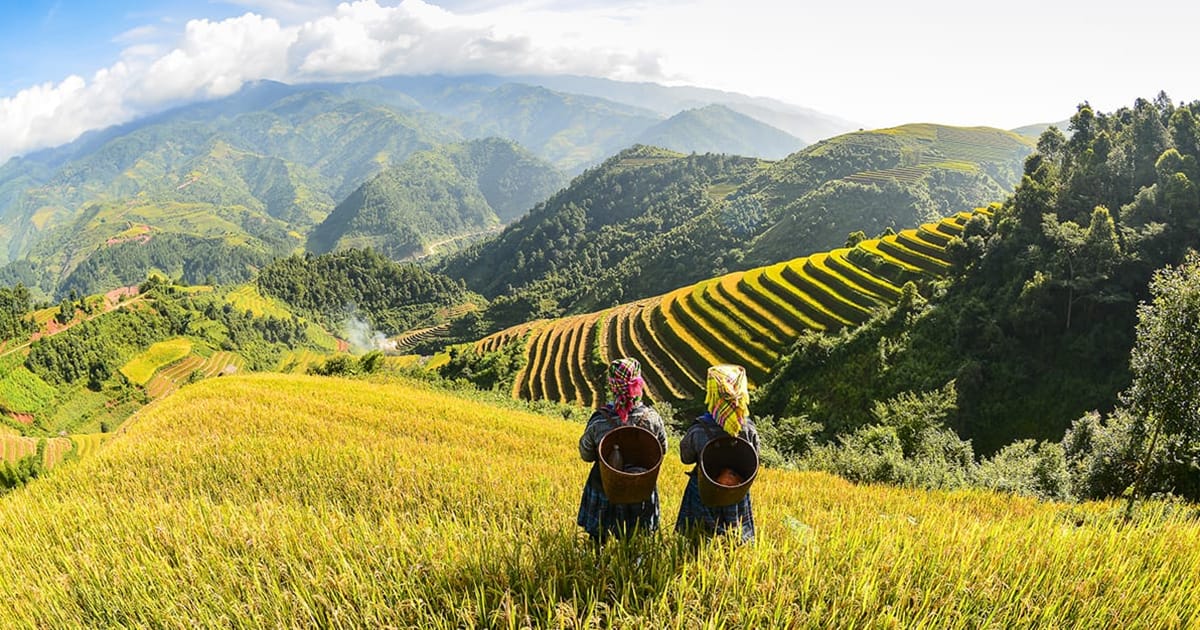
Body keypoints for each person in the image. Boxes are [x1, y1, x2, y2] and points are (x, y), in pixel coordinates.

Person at [576, 358, 668, 543]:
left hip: (605, 487)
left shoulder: (599, 422)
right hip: (640, 488)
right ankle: (634, 568)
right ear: (638, 384)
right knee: (636, 540)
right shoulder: (652, 419)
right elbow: (662, 450)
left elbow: (586, 454)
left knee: (598, 538)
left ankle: (596, 565)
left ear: (612, 386)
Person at [675, 364, 759, 542]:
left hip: (704, 491)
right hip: (735, 493)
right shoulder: (748, 429)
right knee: (735, 539)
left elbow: (686, 457)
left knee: (696, 538)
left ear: (713, 395)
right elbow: (754, 459)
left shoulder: (699, 431)